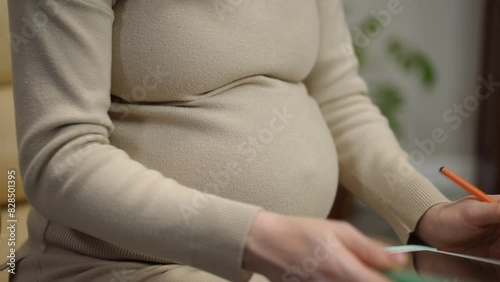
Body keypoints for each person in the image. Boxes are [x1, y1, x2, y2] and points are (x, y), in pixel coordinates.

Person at [6, 0, 500, 281]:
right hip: (116, 268)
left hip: (277, 265)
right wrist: (258, 237)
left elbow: (339, 100)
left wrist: (427, 216)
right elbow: (61, 158)